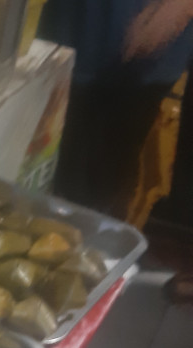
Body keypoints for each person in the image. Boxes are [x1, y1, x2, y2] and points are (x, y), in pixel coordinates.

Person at [39, 0, 193, 218]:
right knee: (48, 169)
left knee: (106, 184)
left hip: (145, 48)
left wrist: (180, 6)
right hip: (68, 29)